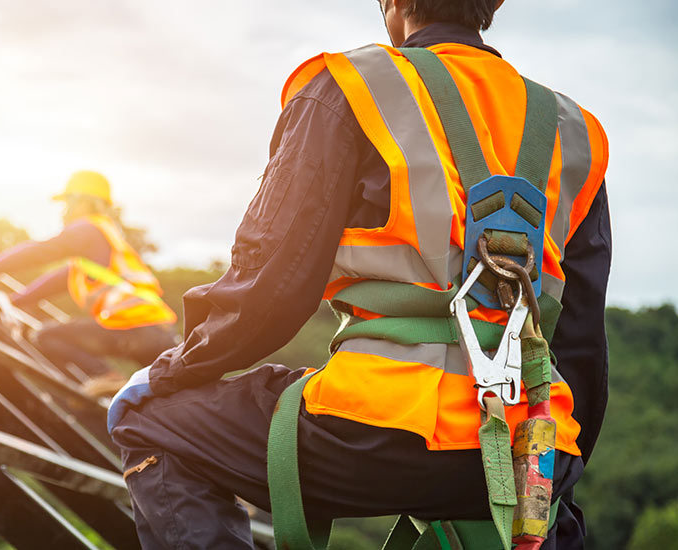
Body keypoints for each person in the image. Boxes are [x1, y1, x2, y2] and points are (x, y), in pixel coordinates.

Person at [108, 0, 611, 549]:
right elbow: (581, 341)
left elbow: (270, 287)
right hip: (532, 453)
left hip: (381, 430)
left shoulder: (347, 87)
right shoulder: (575, 131)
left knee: (152, 423)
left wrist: (170, 373)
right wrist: (556, 464)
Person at [0, 171, 178, 389]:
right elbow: (50, 283)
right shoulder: (99, 249)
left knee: (46, 336)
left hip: (134, 328)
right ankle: (109, 384)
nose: (64, 210)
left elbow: (37, 252)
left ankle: (106, 376)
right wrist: (12, 302)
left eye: (67, 202)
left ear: (83, 202)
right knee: (160, 396)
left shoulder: (87, 229)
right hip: (160, 334)